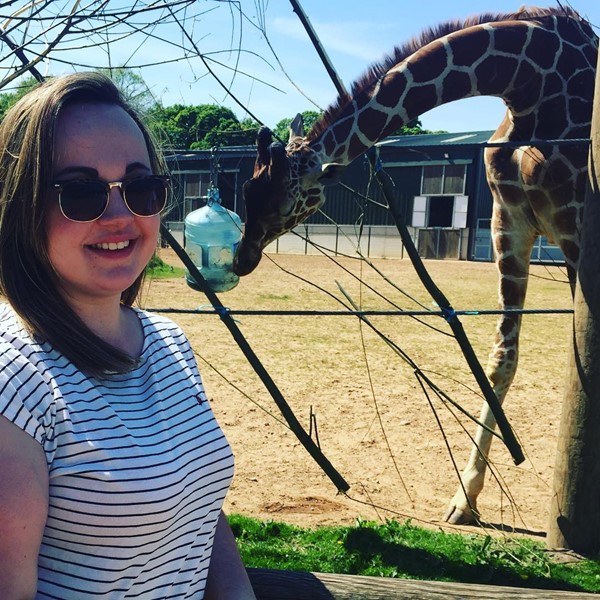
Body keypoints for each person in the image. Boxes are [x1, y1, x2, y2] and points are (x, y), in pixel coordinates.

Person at [0, 72, 257, 599]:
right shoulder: (14, 380)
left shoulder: (168, 342)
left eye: (140, 188)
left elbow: (201, 513)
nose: (120, 216)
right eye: (81, 193)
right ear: (22, 207)